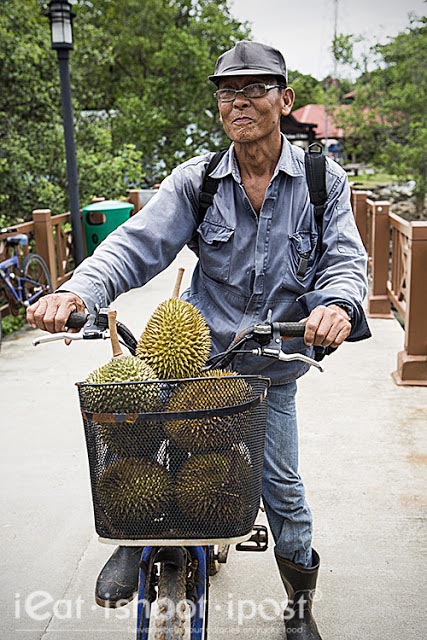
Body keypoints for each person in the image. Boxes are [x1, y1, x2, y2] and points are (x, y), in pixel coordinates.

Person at [27, 40, 371, 639]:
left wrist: (338, 305)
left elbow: (344, 259)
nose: (239, 101)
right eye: (227, 92)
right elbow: (136, 246)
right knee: (141, 443)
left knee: (284, 494)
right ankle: (137, 542)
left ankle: (298, 605)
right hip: (193, 358)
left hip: (270, 367)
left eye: (256, 89)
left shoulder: (323, 180)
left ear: (284, 100)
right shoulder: (197, 182)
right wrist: (79, 294)